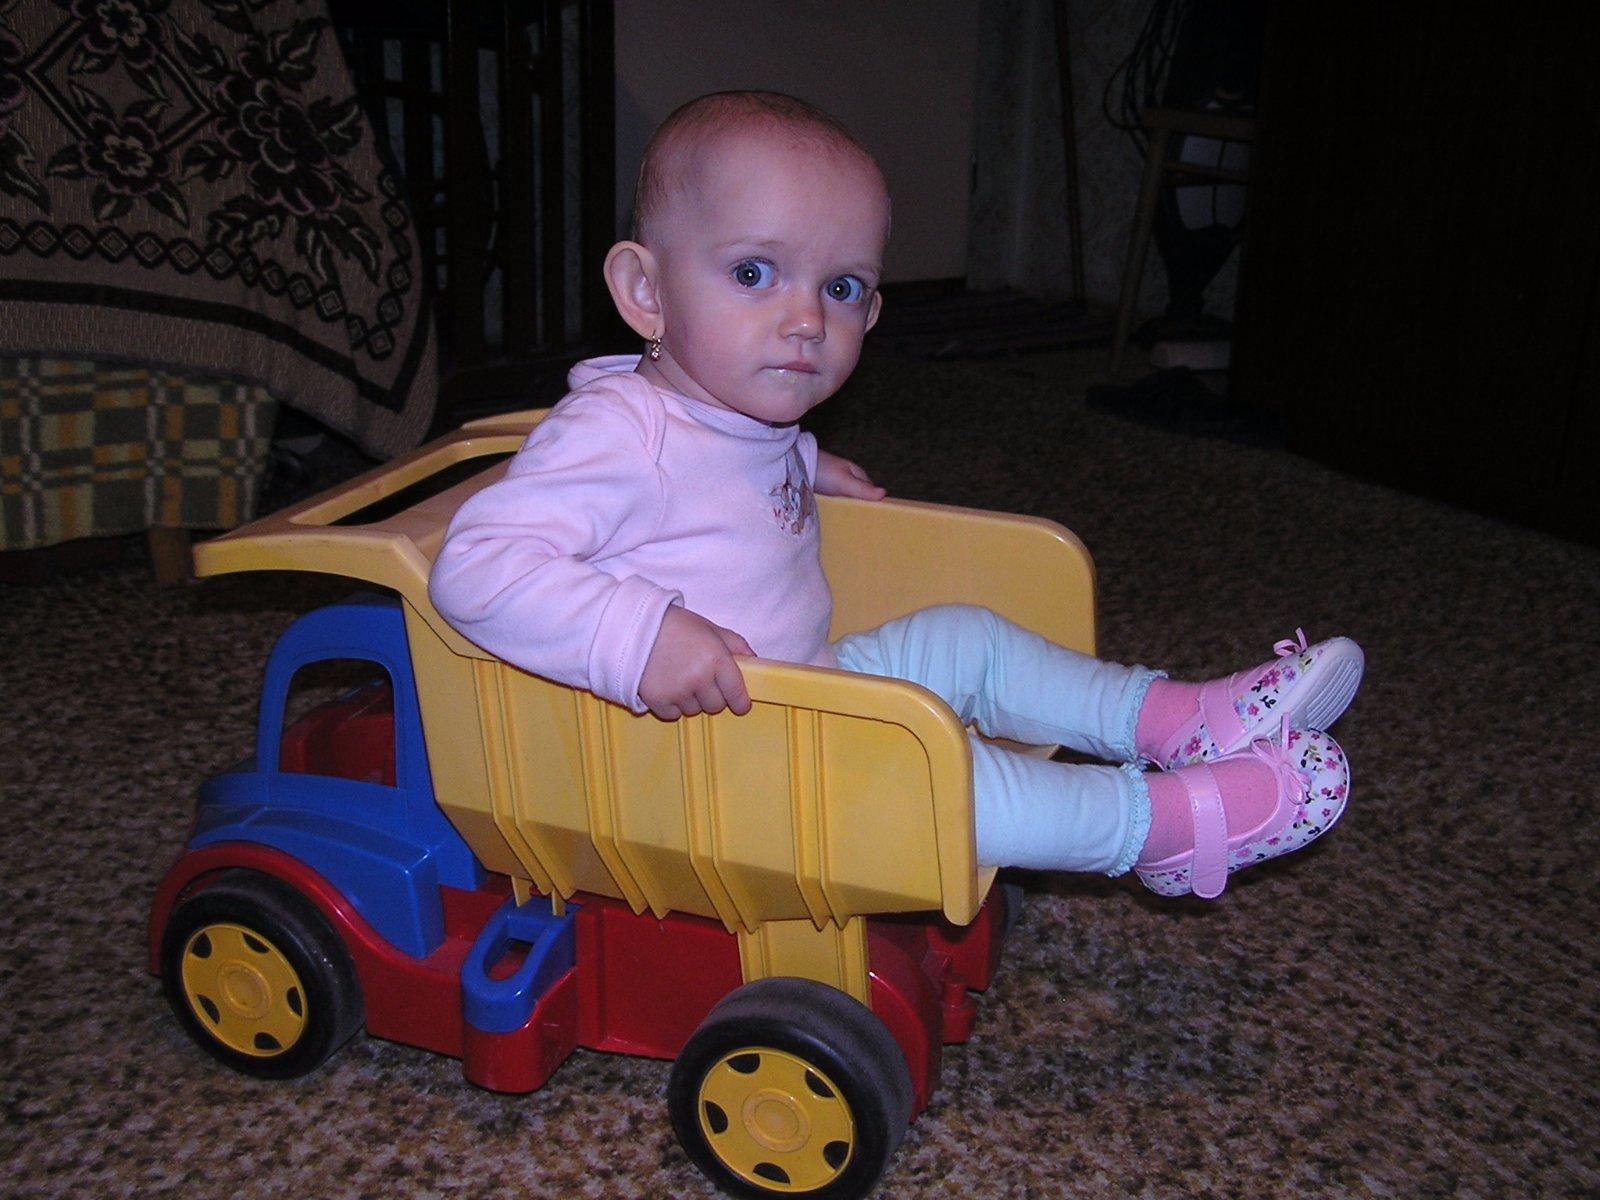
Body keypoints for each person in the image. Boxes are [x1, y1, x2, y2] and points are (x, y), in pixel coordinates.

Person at [429, 90, 1363, 899]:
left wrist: (802, 464)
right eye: (753, 273)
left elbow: (705, 484)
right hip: (709, 771)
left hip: (794, 699)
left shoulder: (722, 411)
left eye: (841, 288)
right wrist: (639, 638)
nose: (806, 319)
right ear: (645, 290)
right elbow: (475, 566)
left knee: (967, 639)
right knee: (948, 779)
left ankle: (1176, 720)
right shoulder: (613, 434)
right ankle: (1157, 828)